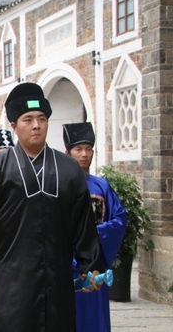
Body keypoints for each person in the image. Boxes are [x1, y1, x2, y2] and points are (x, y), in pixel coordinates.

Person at [0, 82, 104, 332]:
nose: (36, 125)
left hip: (57, 275)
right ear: (15, 127)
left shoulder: (69, 170)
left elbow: (83, 223)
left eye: (42, 118)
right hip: (11, 278)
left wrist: (90, 264)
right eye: (28, 119)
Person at [63, 122, 127, 332]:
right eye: (78, 149)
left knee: (94, 321)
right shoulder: (59, 186)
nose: (84, 154)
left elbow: (119, 218)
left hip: (96, 264)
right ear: (67, 152)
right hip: (66, 266)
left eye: (88, 149)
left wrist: (93, 235)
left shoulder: (102, 186)